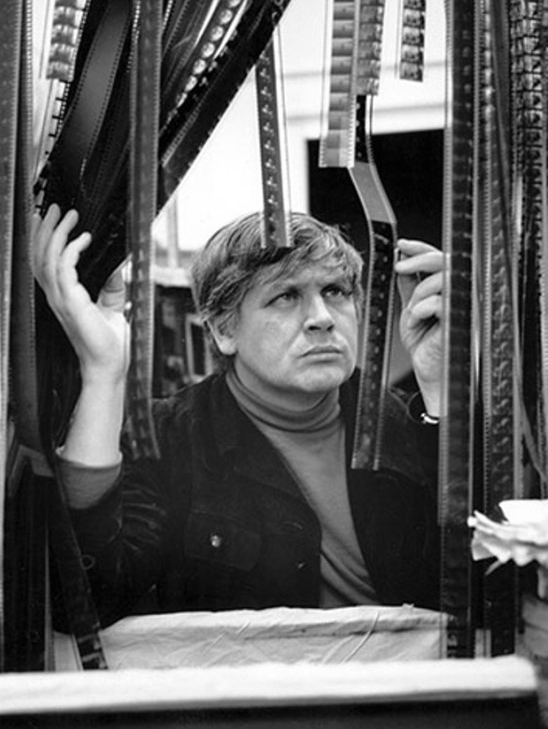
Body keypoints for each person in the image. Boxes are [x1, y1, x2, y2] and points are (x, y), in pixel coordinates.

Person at [34, 204, 444, 626]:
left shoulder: (413, 425)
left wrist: (442, 385)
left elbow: (488, 585)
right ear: (223, 331)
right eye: (285, 297)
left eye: (335, 292)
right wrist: (103, 373)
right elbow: (80, 603)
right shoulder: (168, 439)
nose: (321, 319)